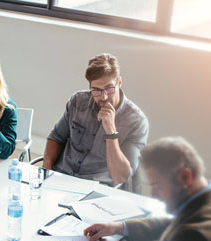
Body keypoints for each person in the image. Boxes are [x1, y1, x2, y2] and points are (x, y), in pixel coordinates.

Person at [83, 137, 211, 241]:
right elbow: (173, 223)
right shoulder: (202, 202)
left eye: (157, 186)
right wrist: (117, 227)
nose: (153, 195)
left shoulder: (194, 237)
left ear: (185, 177)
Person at [42, 53, 148, 187]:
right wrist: (46, 170)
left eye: (109, 88)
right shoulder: (78, 101)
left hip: (95, 188)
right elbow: (55, 138)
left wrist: (111, 131)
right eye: (96, 90)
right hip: (61, 177)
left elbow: (120, 176)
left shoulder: (136, 121)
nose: (103, 97)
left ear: (119, 83)